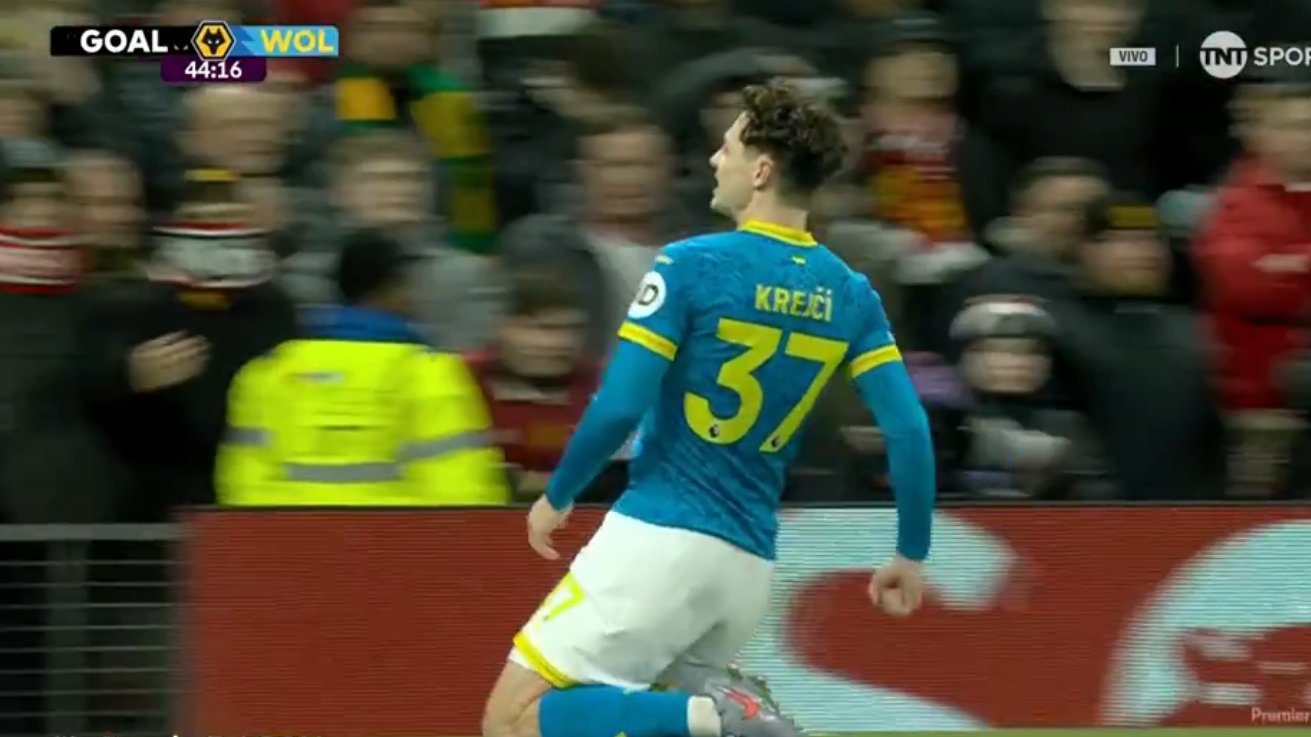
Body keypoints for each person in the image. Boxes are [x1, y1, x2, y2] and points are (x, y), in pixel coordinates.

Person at [481, 82, 936, 737]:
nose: (715, 161)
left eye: (727, 148)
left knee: (512, 719)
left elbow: (620, 405)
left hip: (661, 536)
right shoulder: (851, 293)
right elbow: (908, 429)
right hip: (746, 564)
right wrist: (910, 551)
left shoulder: (690, 265)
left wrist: (558, 493)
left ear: (762, 169)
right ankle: (722, 715)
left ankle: (721, 713)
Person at [214, 228, 510, 506]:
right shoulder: (428, 373)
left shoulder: (269, 371)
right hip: (395, 544)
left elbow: (243, 485)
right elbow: (462, 493)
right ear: (393, 288)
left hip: (286, 543)